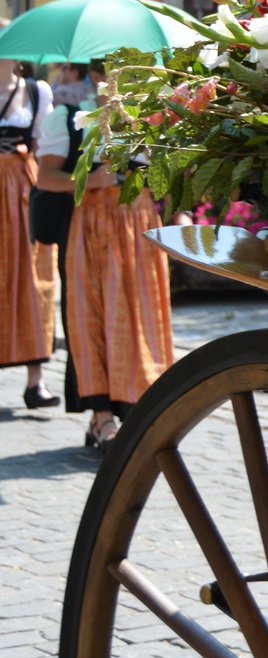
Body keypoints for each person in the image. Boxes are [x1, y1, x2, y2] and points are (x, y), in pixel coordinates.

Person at [35, 64, 175, 450]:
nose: (125, 80)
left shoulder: (150, 118)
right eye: (114, 71)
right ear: (98, 77)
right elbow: (43, 177)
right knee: (93, 314)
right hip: (91, 226)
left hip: (139, 223)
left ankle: (143, 408)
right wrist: (92, 179)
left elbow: (169, 175)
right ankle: (102, 417)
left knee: (142, 313)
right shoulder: (69, 117)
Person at [1, 51, 60, 410]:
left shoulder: (38, 92)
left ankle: (35, 381)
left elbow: (45, 146)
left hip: (24, 188)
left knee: (34, 277)